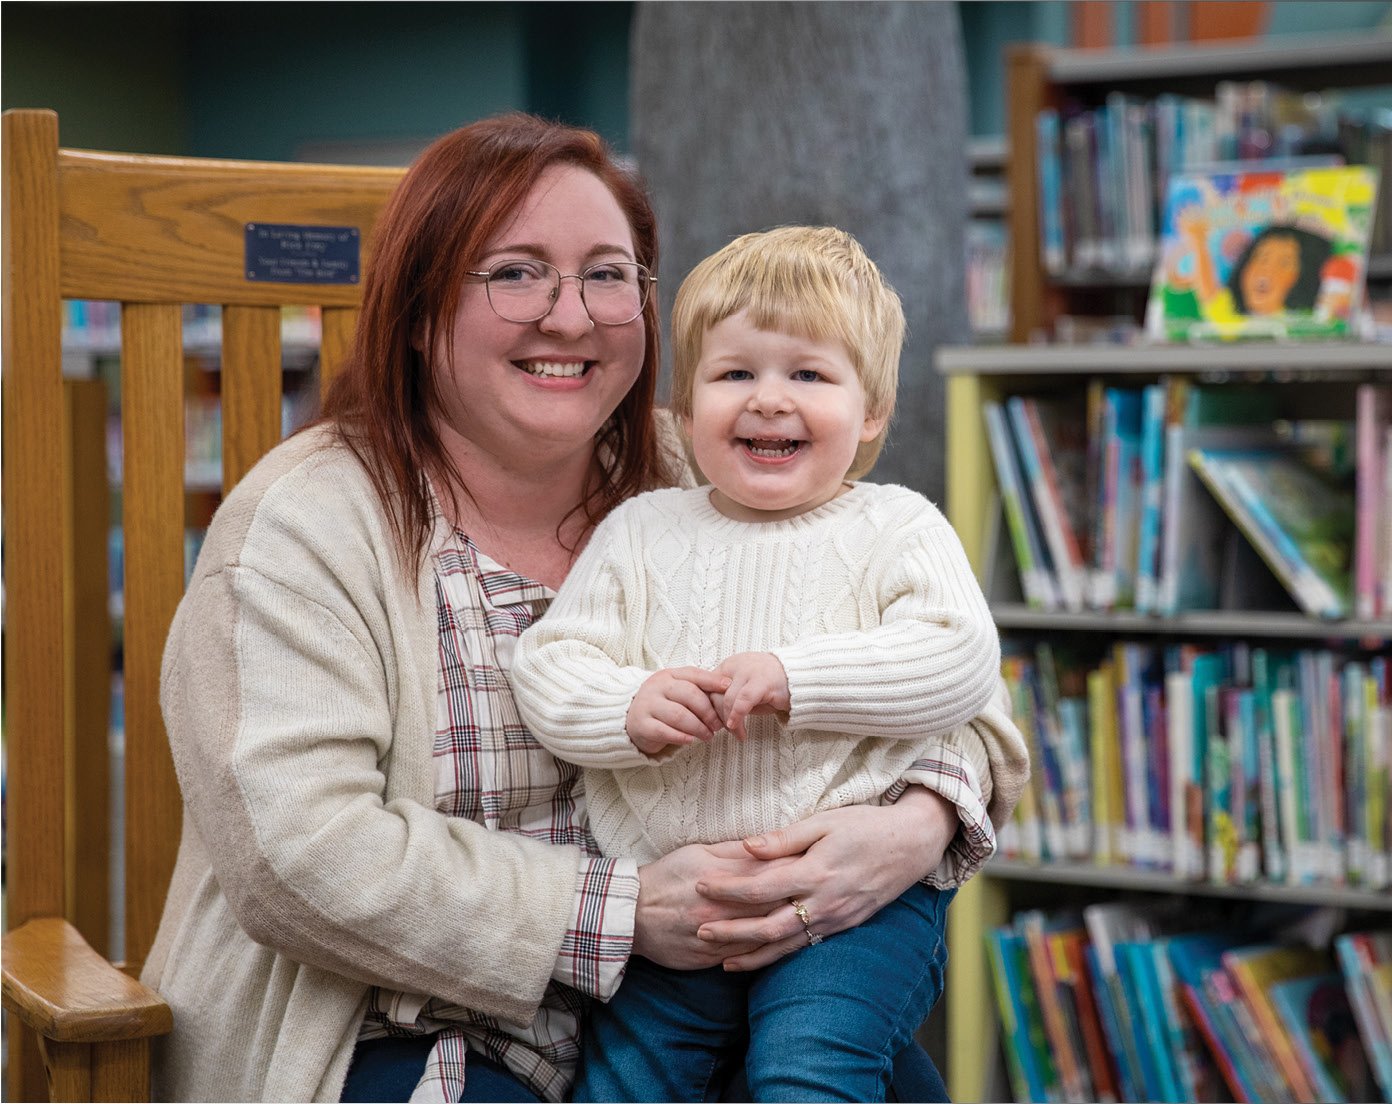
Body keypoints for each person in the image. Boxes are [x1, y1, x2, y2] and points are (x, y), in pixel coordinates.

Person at [138, 113, 1018, 1103]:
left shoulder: (711, 467)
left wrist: (916, 825)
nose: (571, 315)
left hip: (725, 991)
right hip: (404, 1028)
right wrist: (622, 913)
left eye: (608, 274)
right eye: (515, 273)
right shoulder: (302, 527)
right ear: (421, 310)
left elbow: (959, 692)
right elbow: (301, 857)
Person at [510, 226, 1027, 1102]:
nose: (769, 401)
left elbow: (962, 657)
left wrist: (799, 679)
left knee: (810, 1073)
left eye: (809, 375)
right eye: (735, 373)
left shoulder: (898, 527)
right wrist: (628, 706)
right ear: (685, 402)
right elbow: (551, 662)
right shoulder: (640, 530)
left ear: (871, 411)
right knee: (624, 1087)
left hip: (856, 908)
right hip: (675, 897)